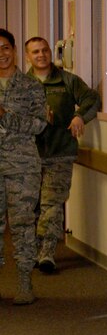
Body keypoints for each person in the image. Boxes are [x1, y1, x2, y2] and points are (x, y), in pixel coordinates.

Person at [25, 37, 101, 273]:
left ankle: (47, 254)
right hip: (29, 156)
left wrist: (80, 117)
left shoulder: (67, 80)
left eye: (45, 50)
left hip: (60, 153)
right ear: (28, 56)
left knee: (52, 204)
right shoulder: (21, 84)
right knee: (30, 207)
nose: (41, 55)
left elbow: (92, 99)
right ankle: (32, 250)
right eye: (35, 52)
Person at [0, 29, 47, 305]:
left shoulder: (30, 87)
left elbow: (39, 125)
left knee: (22, 224)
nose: (1, 54)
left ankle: (24, 282)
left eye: (5, 48)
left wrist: (7, 117)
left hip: (22, 165)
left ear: (14, 50)